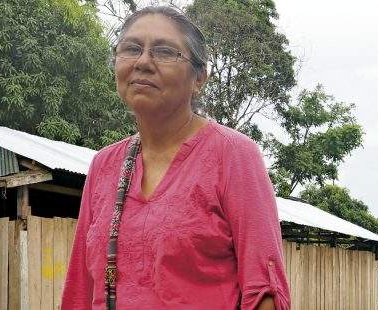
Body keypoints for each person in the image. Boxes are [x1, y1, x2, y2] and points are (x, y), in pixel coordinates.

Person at [61, 6, 290, 309]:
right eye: (130, 49)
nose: (143, 62)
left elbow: (265, 292)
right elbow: (80, 291)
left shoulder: (232, 154)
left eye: (165, 52)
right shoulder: (105, 165)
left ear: (199, 78)